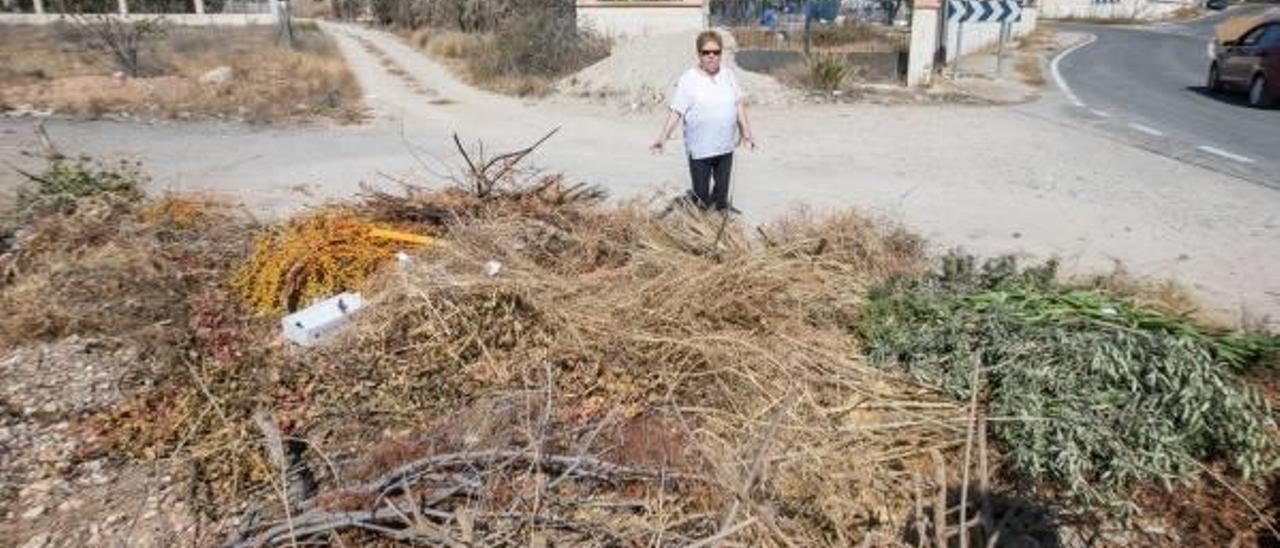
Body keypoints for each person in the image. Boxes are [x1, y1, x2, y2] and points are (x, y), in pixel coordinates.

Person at [650, 30, 756, 212]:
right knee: (701, 199)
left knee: (722, 196)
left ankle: (720, 218)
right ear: (699, 54)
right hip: (700, 150)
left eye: (716, 52)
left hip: (725, 147)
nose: (711, 56)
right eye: (706, 52)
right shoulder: (688, 79)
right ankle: (700, 228)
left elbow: (738, 104)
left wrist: (747, 134)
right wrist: (662, 137)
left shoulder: (728, 75)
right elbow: (676, 110)